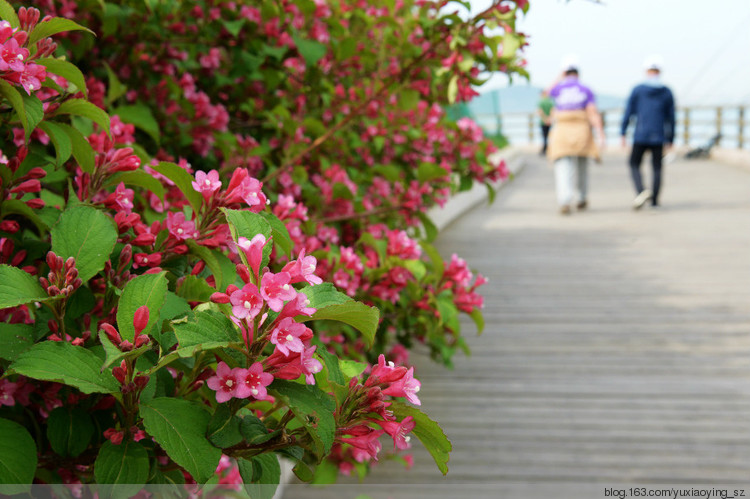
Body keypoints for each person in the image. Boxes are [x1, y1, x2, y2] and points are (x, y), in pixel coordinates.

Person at [546, 57, 606, 215]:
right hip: (582, 131)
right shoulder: (585, 89)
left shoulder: (558, 88)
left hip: (562, 131)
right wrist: (601, 134)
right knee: (582, 166)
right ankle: (581, 197)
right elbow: (593, 113)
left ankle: (564, 200)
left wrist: (559, 76)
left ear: (564, 72)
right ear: (578, 72)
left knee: (563, 166)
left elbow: (546, 93)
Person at [620, 55, 676, 209]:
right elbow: (671, 117)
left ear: (646, 71)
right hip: (659, 135)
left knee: (633, 163)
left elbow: (629, 112)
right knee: (657, 168)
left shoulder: (638, 90)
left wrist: (623, 131)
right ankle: (655, 202)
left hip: (641, 134)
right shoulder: (666, 91)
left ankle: (641, 191)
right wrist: (671, 138)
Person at [537, 90, 554, 155]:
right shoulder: (550, 102)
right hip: (549, 122)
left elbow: (539, 111)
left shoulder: (541, 102)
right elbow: (553, 111)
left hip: (543, 122)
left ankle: (544, 149)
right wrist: (549, 119)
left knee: (544, 136)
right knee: (548, 135)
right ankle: (547, 148)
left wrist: (544, 119)